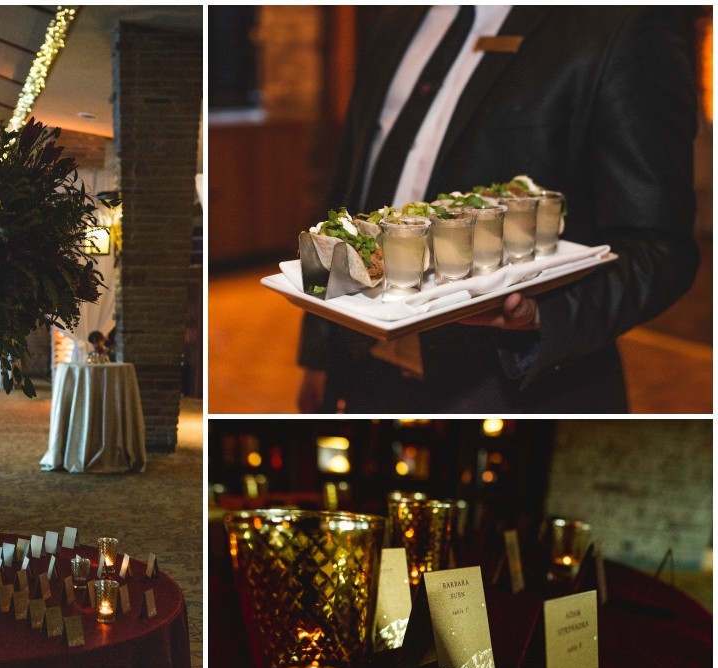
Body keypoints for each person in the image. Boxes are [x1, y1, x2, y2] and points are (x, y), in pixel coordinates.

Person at [296, 6, 699, 413]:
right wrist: (317, 353)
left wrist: (544, 313)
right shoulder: (392, 18)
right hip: (364, 370)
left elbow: (659, 248)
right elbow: (352, 178)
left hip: (513, 388)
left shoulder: (619, 23)